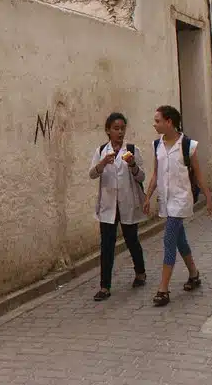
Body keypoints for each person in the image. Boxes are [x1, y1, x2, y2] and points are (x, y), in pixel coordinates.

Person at [143, 105, 212, 307]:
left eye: (158, 121)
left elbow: (199, 175)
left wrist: (209, 200)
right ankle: (194, 274)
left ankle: (163, 289)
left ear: (169, 122)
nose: (154, 124)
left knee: (169, 239)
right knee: (180, 240)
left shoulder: (188, 145)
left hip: (181, 200)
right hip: (166, 200)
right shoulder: (156, 145)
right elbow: (155, 174)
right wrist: (147, 196)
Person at [89, 112, 148, 301]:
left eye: (122, 128)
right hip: (108, 206)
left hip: (127, 204)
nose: (120, 132)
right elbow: (92, 174)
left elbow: (141, 177)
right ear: (108, 130)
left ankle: (140, 273)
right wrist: (102, 163)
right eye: (116, 128)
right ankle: (104, 286)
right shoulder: (101, 151)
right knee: (107, 246)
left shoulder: (132, 150)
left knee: (132, 240)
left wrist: (133, 165)